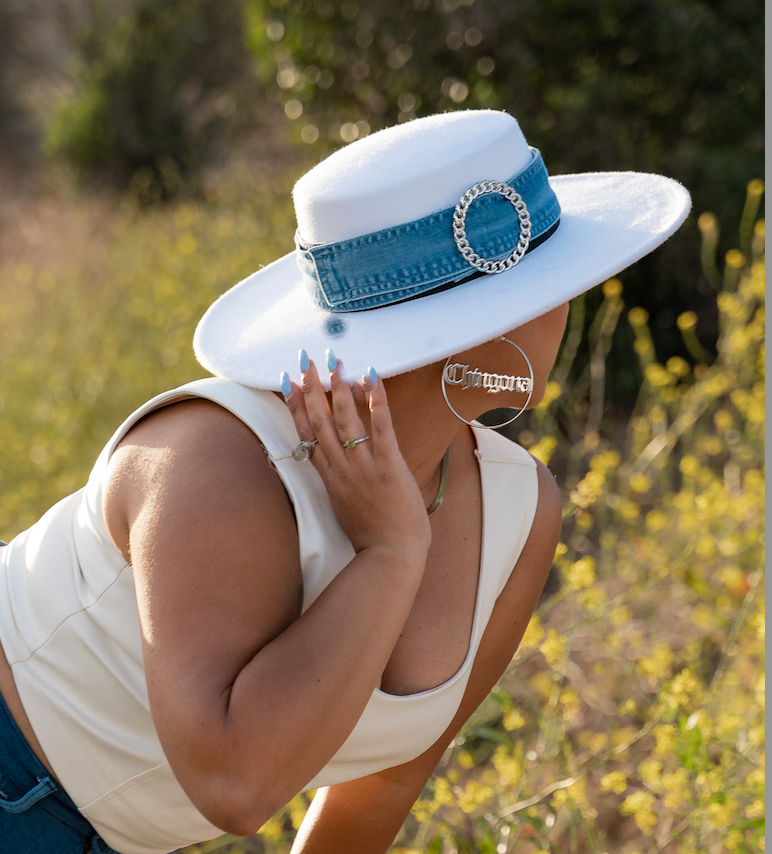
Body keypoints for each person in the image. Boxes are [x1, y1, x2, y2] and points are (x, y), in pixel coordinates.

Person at [0, 109, 691, 854]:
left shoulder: (520, 512)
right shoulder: (215, 458)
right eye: (560, 283)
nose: (568, 306)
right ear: (501, 320)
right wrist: (392, 549)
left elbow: (381, 790)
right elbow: (235, 785)